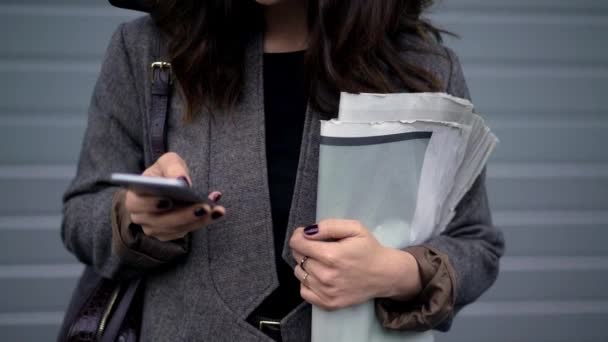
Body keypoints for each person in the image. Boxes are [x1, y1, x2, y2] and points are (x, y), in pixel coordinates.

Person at [61, 0, 505, 341]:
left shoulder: (422, 68)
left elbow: (475, 244)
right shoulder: (146, 50)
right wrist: (136, 216)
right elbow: (83, 216)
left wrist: (392, 272)